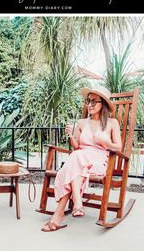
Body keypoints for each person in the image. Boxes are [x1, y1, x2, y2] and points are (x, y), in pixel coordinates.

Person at [41, 86, 122, 232]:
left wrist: (105, 142)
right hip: (81, 160)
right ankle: (66, 210)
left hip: (98, 161)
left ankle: (67, 209)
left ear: (102, 103)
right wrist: (71, 135)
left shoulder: (112, 123)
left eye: (93, 102)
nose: (89, 105)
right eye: (87, 101)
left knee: (71, 164)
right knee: (76, 159)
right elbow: (77, 147)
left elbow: (118, 148)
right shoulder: (81, 123)